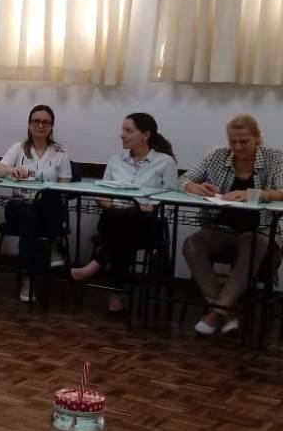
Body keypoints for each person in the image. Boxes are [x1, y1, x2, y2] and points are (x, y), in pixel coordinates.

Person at [179, 115, 283, 335]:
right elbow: (183, 180)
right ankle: (227, 312)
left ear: (257, 138)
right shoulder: (217, 155)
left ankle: (215, 314)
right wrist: (195, 187)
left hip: (259, 230)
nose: (237, 147)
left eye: (244, 141)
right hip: (220, 228)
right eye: (232, 141)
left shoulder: (275, 158)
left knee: (254, 246)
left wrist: (253, 194)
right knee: (192, 245)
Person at [70, 113, 178, 313]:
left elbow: (170, 202)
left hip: (147, 224)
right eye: (123, 130)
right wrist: (112, 205)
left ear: (145, 135)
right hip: (113, 219)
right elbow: (101, 194)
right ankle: (112, 293)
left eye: (128, 130)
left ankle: (97, 270)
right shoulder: (116, 160)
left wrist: (144, 208)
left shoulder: (165, 162)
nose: (122, 135)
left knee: (127, 223)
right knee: (122, 223)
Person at [0, 105, 72, 301]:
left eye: (45, 122)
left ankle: (28, 279)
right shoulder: (17, 148)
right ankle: (53, 247)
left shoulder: (60, 151)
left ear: (51, 126)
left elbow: (65, 188)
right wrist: (11, 170)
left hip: (47, 209)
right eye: (36, 121)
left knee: (35, 215)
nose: (40, 125)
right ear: (29, 125)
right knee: (29, 214)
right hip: (18, 205)